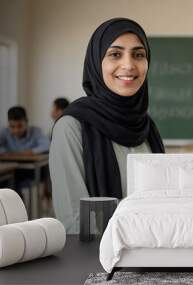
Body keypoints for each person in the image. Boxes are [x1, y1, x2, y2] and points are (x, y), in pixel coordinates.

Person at [49, 18, 165, 233]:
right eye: (115, 54)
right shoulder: (72, 127)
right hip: (97, 260)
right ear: (96, 61)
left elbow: (164, 204)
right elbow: (74, 221)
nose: (129, 65)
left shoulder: (148, 128)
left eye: (139, 55)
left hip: (152, 253)